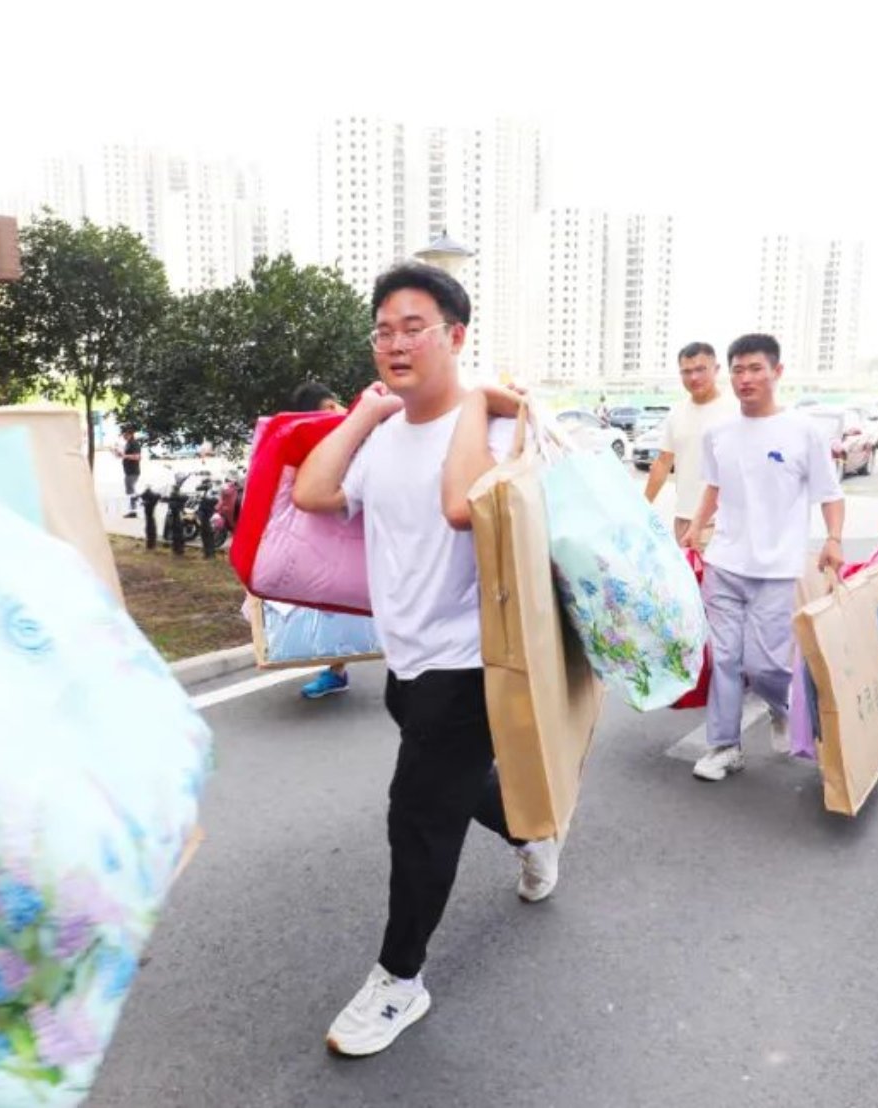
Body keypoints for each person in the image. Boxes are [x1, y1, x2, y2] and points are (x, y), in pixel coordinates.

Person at [292, 263, 558, 1058]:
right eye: (383, 331)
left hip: (474, 659)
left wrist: (474, 403)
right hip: (406, 658)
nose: (395, 343)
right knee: (457, 786)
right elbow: (312, 493)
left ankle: (400, 980)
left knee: (416, 814)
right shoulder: (383, 437)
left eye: (414, 327)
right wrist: (366, 413)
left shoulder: (503, 432)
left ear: (456, 336)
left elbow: (459, 505)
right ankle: (532, 833)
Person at [682, 333, 845, 783]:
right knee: (725, 660)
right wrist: (696, 526)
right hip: (724, 563)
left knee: (765, 665)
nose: (746, 378)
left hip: (776, 569)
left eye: (756, 368)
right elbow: (714, 486)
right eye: (738, 370)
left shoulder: (804, 432)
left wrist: (834, 538)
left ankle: (782, 707)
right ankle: (724, 747)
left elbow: (830, 493)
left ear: (777, 371)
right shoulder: (718, 433)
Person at [286, 381, 356, 700]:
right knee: (336, 601)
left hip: (354, 528)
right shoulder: (326, 441)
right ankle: (336, 670)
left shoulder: (357, 429)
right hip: (331, 530)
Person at [642, 341, 738, 547]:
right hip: (684, 520)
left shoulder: (736, 410)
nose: (694, 377)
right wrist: (642, 506)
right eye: (686, 371)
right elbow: (663, 462)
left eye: (700, 369)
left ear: (716, 369)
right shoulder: (676, 413)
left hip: (723, 523)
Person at [120, 425, 143, 516]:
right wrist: (120, 454)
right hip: (128, 471)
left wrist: (125, 456)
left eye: (125, 434)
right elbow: (127, 456)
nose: (123, 436)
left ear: (130, 434)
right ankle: (134, 509)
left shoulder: (134, 443)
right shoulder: (128, 443)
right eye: (123, 434)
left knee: (131, 491)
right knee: (130, 490)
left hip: (133, 471)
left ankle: (135, 508)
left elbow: (137, 457)